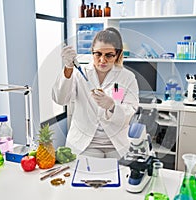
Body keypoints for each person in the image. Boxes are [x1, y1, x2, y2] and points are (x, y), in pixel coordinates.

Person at [52, 27, 139, 159]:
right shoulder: (80, 73)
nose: (102, 60)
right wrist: (68, 68)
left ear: (117, 55)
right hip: (85, 142)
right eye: (98, 54)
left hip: (115, 142)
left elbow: (131, 110)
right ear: (92, 52)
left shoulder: (127, 77)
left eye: (109, 55)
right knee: (89, 175)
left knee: (118, 176)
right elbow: (60, 99)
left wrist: (112, 106)